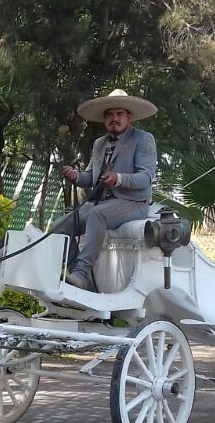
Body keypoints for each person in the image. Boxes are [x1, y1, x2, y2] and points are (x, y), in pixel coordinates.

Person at [54, 89, 159, 291]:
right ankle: (75, 271)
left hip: (133, 204)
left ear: (129, 117)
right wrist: (76, 176)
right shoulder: (99, 144)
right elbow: (91, 177)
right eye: (110, 115)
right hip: (103, 205)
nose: (114, 119)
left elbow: (146, 177)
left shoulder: (143, 139)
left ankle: (82, 274)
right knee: (60, 226)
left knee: (96, 213)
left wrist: (119, 179)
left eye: (119, 114)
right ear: (104, 119)